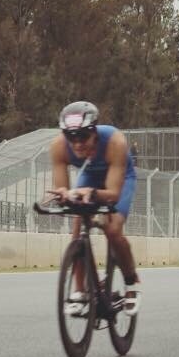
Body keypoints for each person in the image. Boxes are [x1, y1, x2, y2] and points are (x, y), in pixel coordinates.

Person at [49, 101, 141, 316]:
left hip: (119, 177)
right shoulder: (58, 146)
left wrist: (91, 193)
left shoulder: (115, 141)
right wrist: (63, 195)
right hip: (91, 173)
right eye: (71, 137)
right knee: (77, 225)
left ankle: (131, 281)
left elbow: (112, 194)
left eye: (83, 136)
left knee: (113, 229)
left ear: (95, 132)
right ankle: (80, 290)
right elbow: (63, 188)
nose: (78, 144)